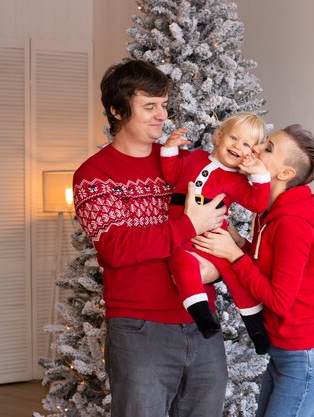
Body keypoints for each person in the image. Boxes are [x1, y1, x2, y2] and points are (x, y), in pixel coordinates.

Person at [73, 59, 228, 417]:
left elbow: (220, 224)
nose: (161, 115)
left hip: (202, 324)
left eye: (163, 105)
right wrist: (188, 225)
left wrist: (217, 269)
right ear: (116, 109)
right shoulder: (94, 175)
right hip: (140, 331)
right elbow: (116, 248)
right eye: (149, 106)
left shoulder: (185, 163)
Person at [192, 124, 314, 417]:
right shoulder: (269, 211)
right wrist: (239, 242)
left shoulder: (291, 223)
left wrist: (233, 255)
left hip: (304, 357)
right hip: (284, 352)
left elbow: (279, 299)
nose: (255, 148)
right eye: (265, 142)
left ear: (285, 174)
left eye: (268, 149)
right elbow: (266, 268)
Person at [161, 112, 271, 353]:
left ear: (251, 154)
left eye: (246, 145)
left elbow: (258, 204)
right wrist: (169, 148)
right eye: (233, 137)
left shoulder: (237, 181)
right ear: (219, 136)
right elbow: (170, 176)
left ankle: (258, 331)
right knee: (181, 264)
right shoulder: (194, 158)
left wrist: (259, 173)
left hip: (212, 239)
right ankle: (202, 317)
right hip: (182, 237)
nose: (237, 146)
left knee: (236, 278)